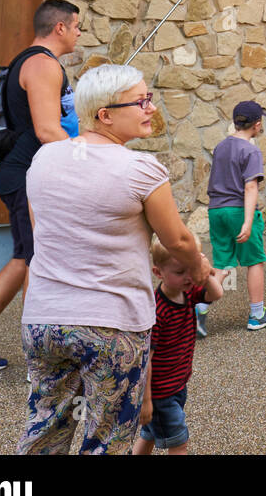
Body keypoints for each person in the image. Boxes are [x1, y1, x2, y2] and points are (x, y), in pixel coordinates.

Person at [18, 64, 207, 454]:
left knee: (44, 431)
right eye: (140, 102)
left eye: (149, 98)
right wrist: (198, 268)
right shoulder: (141, 169)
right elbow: (178, 241)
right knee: (105, 441)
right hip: (111, 325)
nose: (151, 108)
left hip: (44, 321)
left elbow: (41, 233)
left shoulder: (43, 160)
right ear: (104, 114)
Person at [0, 0, 82, 373]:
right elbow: (46, 129)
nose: (78, 33)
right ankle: (40, 361)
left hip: (23, 174)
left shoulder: (35, 62)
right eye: (76, 27)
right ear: (60, 28)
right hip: (29, 175)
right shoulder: (42, 64)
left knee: (26, 256)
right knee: (38, 261)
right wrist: (86, 163)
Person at [197, 101, 266, 336]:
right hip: (238, 210)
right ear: (257, 124)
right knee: (254, 260)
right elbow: (250, 187)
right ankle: (257, 315)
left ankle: (200, 308)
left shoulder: (221, 146)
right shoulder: (251, 150)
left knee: (223, 263)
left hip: (216, 211)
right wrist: (246, 221)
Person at [134, 236, 224, 455]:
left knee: (150, 435)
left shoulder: (188, 293)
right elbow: (145, 359)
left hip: (176, 385)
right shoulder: (157, 311)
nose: (188, 277)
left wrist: (204, 268)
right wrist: (145, 401)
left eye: (191, 269)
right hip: (159, 394)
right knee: (178, 443)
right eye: (179, 272)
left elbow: (217, 293)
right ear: (158, 273)